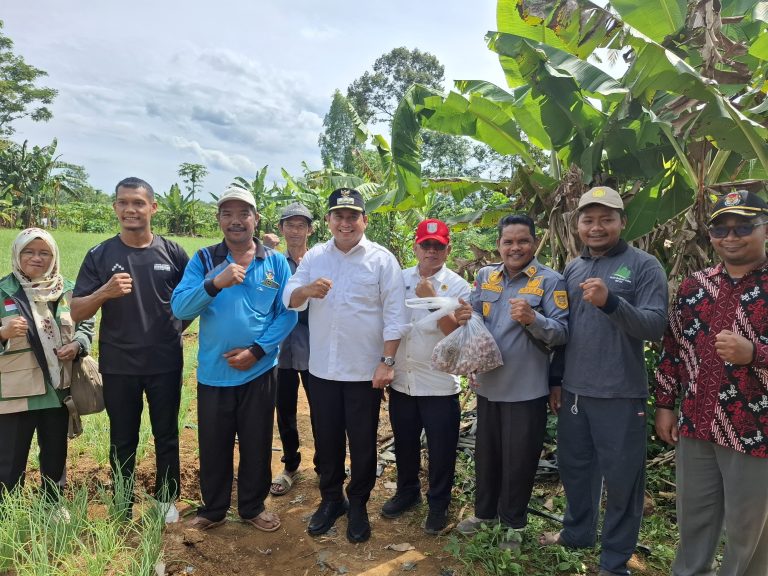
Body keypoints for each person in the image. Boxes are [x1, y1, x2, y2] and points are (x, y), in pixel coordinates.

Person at [542, 187, 668, 576]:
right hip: (576, 391)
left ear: (622, 222)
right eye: (588, 219)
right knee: (575, 466)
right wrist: (557, 379)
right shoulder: (572, 268)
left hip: (621, 394)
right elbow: (565, 329)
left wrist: (611, 301)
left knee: (622, 481)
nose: (596, 227)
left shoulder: (644, 265)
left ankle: (614, 562)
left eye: (606, 219)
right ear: (577, 224)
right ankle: (578, 532)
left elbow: (655, 326)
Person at [283, 187, 408, 543]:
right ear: (328, 221)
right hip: (322, 369)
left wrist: (386, 362)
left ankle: (358, 504)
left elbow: (395, 315)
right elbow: (288, 297)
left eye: (353, 216)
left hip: (364, 372)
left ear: (364, 220)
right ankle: (331, 500)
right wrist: (307, 291)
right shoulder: (315, 258)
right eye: (338, 215)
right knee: (327, 439)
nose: (346, 222)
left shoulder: (382, 260)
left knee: (364, 442)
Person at [655, 189, 768, 576]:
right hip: (696, 425)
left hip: (755, 432)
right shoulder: (694, 287)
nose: (731, 236)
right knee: (693, 521)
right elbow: (672, 349)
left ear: (764, 228)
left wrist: (755, 353)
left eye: (743, 227)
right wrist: (665, 404)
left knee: (748, 533)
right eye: (721, 229)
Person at [171, 187, 297, 532]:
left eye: (244, 213)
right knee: (214, 442)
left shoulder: (274, 262)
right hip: (214, 371)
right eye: (228, 214)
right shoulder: (204, 260)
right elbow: (180, 308)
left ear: (256, 219)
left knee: (256, 441)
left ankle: (252, 507)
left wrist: (256, 351)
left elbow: (286, 314)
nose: (236, 221)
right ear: (219, 220)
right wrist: (215, 283)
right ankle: (213, 510)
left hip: (259, 370)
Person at [71, 177, 189, 522]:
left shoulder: (173, 252)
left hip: (165, 361)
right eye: (123, 202)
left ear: (153, 207)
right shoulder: (101, 255)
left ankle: (166, 500)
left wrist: (174, 330)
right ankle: (122, 503)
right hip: (119, 363)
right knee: (122, 437)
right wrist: (104, 292)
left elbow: (191, 301)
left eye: (138, 202)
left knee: (165, 432)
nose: (130, 209)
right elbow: (77, 310)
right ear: (115, 208)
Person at [456, 214, 569, 548]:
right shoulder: (484, 276)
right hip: (488, 385)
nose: (515, 247)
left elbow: (563, 333)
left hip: (526, 389)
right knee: (487, 455)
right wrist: (463, 317)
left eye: (522, 241)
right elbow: (473, 322)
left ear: (534, 243)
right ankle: (484, 514)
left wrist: (534, 319)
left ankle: (515, 525)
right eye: (508, 241)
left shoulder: (550, 281)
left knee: (520, 459)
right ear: (499, 244)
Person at [381, 219, 471, 534]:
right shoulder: (397, 279)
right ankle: (407, 492)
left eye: (438, 246)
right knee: (405, 442)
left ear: (448, 250)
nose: (431, 251)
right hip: (402, 379)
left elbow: (455, 335)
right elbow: (388, 322)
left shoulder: (459, 286)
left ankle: (438, 505)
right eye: (426, 245)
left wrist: (433, 298)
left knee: (441, 448)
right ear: (415, 247)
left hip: (439, 383)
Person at [0, 228, 94, 500]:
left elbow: (86, 322)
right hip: (16, 391)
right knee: (9, 456)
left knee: (55, 452)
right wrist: (3, 333)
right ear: (17, 254)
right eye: (29, 251)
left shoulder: (67, 290)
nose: (36, 258)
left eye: (45, 253)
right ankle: (7, 508)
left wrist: (78, 344)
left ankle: (53, 504)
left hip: (57, 388)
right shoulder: (4, 290)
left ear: (54, 257)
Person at [270, 202, 315, 497]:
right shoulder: (272, 263)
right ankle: (290, 465)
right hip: (279, 349)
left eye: (301, 225)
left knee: (322, 409)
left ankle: (326, 464)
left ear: (310, 230)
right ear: (281, 229)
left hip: (316, 347)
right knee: (284, 410)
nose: (296, 230)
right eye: (290, 225)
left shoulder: (321, 261)